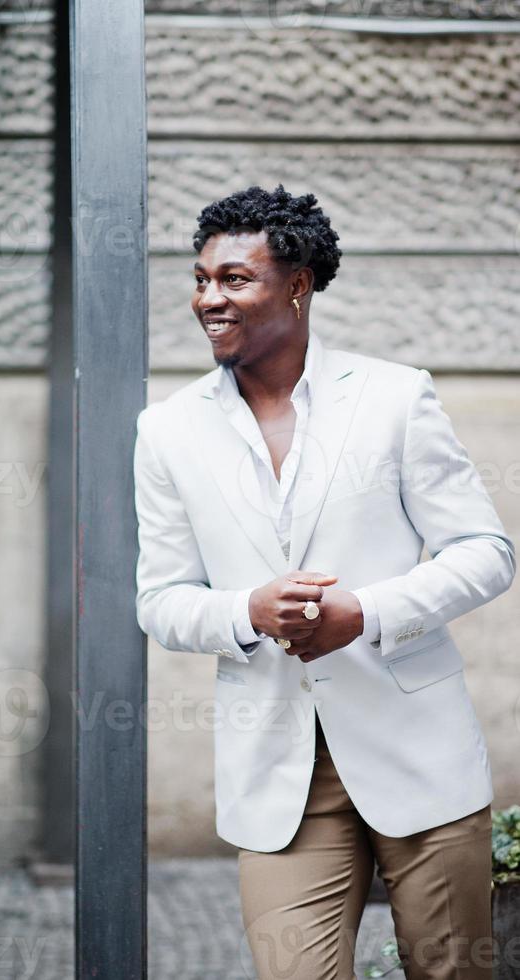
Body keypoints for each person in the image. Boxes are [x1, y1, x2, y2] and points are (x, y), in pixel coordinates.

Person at [132, 183, 515, 979]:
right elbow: (161, 601)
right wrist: (247, 609)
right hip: (277, 773)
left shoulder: (393, 397)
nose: (210, 298)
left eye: (235, 279)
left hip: (418, 752)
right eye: (202, 279)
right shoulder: (167, 430)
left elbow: (484, 552)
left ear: (297, 283)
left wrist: (365, 612)